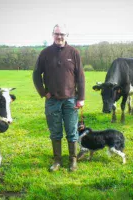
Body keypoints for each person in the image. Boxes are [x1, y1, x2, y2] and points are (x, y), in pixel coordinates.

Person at [33, 24, 85, 172]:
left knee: (71, 130)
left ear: (66, 35)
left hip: (70, 100)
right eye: (57, 34)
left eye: (62, 34)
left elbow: (80, 77)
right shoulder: (45, 53)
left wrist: (81, 98)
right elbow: (36, 74)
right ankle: (57, 161)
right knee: (55, 131)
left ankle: (73, 160)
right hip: (52, 100)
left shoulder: (74, 53)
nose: (59, 36)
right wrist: (44, 93)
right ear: (52, 35)